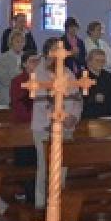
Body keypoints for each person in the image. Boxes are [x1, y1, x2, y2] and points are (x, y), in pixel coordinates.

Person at [30, 40, 83, 209]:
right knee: (45, 166)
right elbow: (43, 100)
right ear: (46, 53)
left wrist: (73, 116)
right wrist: (61, 116)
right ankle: (41, 204)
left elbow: (77, 98)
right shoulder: (39, 73)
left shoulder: (68, 73)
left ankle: (57, 201)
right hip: (44, 127)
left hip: (66, 127)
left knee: (62, 166)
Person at [0, 24, 29, 105]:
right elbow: (3, 79)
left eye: (22, 41)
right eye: (17, 41)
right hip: (7, 97)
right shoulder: (3, 58)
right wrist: (19, 76)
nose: (20, 44)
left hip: (23, 97)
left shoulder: (27, 57)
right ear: (11, 42)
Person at [79, 47, 111, 120]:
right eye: (97, 61)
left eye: (103, 61)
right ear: (89, 62)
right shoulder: (83, 75)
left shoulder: (107, 75)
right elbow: (82, 97)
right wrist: (93, 98)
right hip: (88, 116)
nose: (100, 63)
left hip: (107, 115)